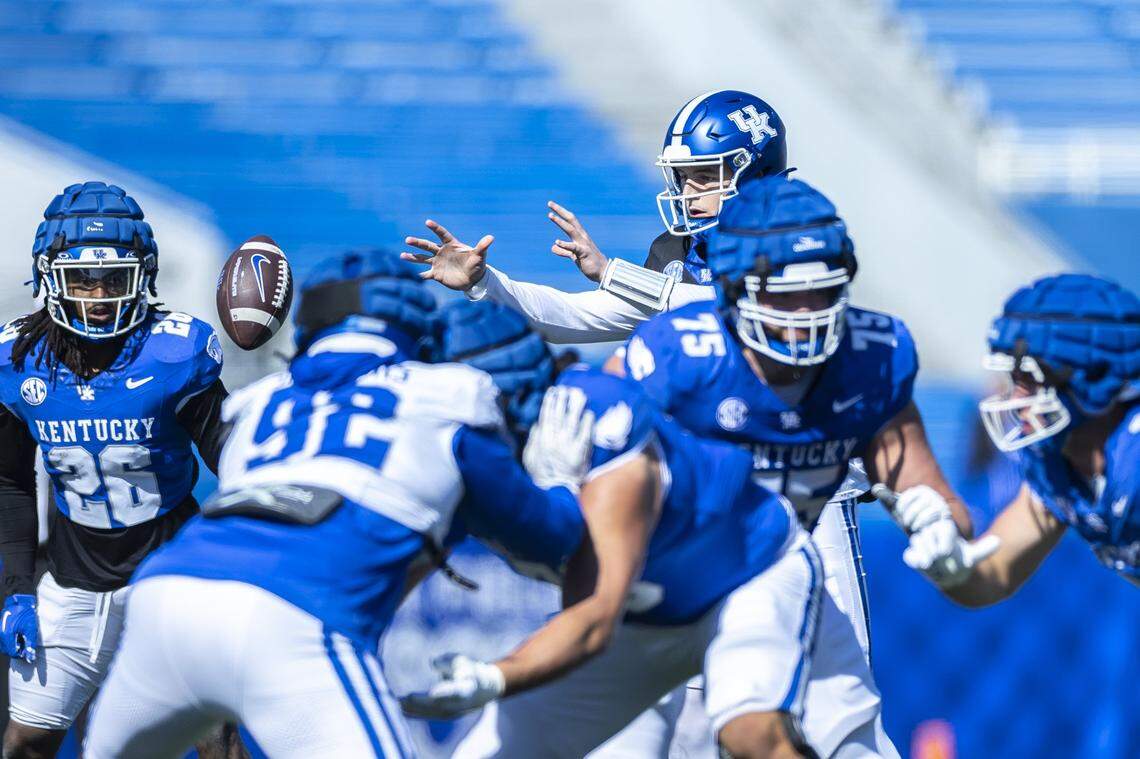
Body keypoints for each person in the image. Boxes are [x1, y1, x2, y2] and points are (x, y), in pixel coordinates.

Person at [82, 250, 586, 759]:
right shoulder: (449, 394)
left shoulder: (256, 405)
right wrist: (560, 478)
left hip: (164, 597)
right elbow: (553, 541)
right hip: (295, 618)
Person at [406, 300, 885, 759]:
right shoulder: (448, 457)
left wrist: (494, 677)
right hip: (643, 613)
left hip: (747, 576)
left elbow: (593, 619)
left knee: (755, 735)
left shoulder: (599, 425)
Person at [617, 174, 994, 756]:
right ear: (735, 290)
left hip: (783, 565)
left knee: (851, 742)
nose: (807, 314)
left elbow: (930, 490)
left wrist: (940, 526)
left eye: (822, 292)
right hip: (664, 579)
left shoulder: (869, 358)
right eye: (783, 296)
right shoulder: (680, 355)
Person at [0, 182, 232, 758]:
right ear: (49, 276)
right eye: (82, 278)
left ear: (144, 277)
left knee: (214, 741)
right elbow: (9, 481)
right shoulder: (16, 361)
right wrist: (15, 590)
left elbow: (233, 459)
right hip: (70, 580)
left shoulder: (174, 351)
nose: (98, 295)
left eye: (114, 279)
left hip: (170, 575)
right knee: (26, 743)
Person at [402, 90, 787, 343]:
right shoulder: (677, 250)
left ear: (754, 174)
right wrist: (484, 282)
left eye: (704, 177)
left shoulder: (796, 241)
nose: (687, 193)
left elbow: (741, 310)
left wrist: (612, 274)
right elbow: (571, 316)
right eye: (683, 178)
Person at [899, 273, 1140, 600]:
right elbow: (993, 574)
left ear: (1093, 379)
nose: (1014, 400)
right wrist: (953, 567)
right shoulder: (1060, 461)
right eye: (1013, 379)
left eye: (1028, 379)